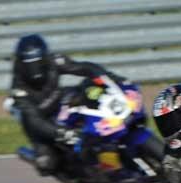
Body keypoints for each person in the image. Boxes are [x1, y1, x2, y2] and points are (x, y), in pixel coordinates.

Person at [9, 34, 121, 175]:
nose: (34, 68)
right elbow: (34, 120)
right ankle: (66, 167)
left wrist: (109, 78)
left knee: (89, 89)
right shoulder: (18, 88)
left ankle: (108, 138)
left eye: (37, 62)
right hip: (41, 122)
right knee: (46, 164)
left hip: (60, 103)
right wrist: (61, 133)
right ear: (21, 63)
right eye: (29, 63)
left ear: (44, 57)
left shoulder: (55, 61)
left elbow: (84, 68)